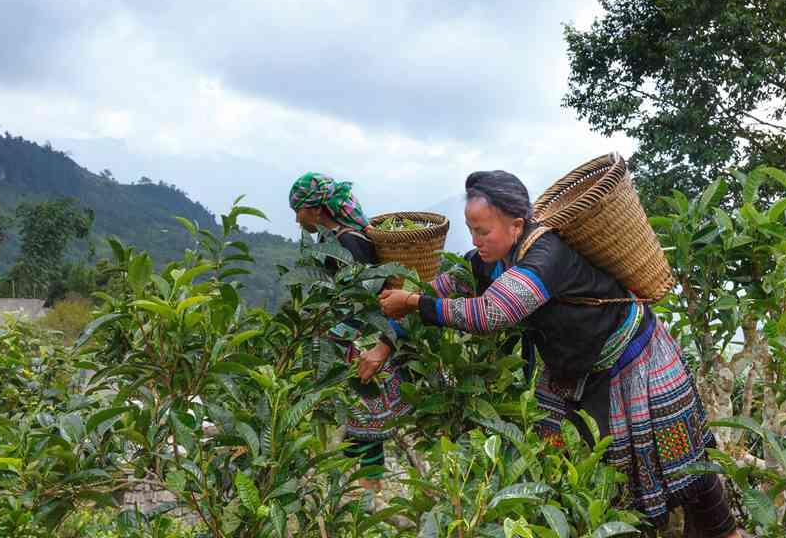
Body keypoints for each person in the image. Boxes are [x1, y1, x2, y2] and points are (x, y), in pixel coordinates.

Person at [378, 170, 740, 538]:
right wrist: (390, 332)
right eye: (471, 230)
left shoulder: (546, 255)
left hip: (635, 355)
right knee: (567, 455)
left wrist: (413, 302)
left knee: (678, 455)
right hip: (578, 366)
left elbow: (492, 313)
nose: (475, 240)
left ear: (516, 225)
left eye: (483, 231)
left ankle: (726, 533)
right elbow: (442, 286)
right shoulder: (489, 258)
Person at [289, 172, 410, 492]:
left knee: (363, 431)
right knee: (355, 429)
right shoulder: (336, 239)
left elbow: (364, 297)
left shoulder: (349, 242)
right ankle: (359, 494)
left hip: (362, 347)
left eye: (297, 208)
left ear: (316, 210)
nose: (296, 216)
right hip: (352, 344)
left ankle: (367, 495)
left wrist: (332, 332)